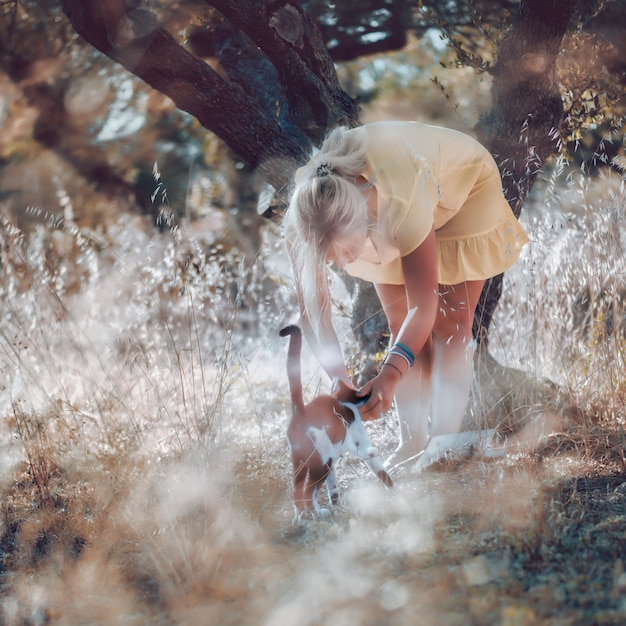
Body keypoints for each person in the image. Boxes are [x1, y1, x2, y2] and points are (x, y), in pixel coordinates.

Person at [282, 121, 528, 469]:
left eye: (345, 251)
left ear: (365, 221)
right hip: (392, 196)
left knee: (451, 324)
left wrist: (391, 374)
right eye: (329, 256)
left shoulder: (398, 200)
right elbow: (313, 314)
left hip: (463, 187)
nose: (339, 263)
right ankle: (412, 444)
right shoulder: (305, 219)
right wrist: (337, 376)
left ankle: (442, 449)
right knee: (401, 325)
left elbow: (424, 306)